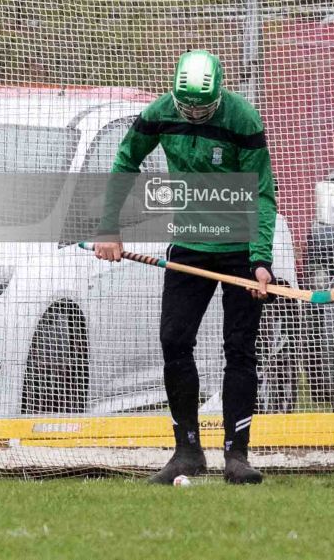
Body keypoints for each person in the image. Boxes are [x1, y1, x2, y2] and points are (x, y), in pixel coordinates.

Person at [94, 50, 276, 485]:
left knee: (239, 348)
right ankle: (187, 451)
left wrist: (260, 260)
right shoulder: (158, 113)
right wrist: (109, 227)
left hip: (239, 247)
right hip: (189, 243)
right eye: (187, 108)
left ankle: (237, 455)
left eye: (203, 109)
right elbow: (125, 161)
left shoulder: (243, 119)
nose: (193, 115)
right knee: (174, 341)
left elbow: (262, 193)